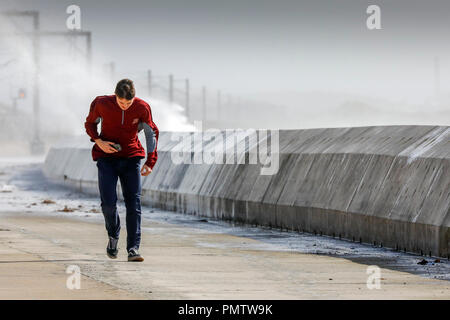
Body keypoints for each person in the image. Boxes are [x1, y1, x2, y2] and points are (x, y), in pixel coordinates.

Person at [84, 79, 159, 262]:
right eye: (121, 102)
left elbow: (152, 133)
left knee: (133, 203)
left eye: (128, 103)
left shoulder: (142, 107)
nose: (124, 106)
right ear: (115, 95)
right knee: (108, 204)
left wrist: (150, 161)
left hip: (131, 157)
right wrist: (98, 141)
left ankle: (133, 248)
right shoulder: (101, 103)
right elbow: (90, 124)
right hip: (106, 158)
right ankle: (113, 236)